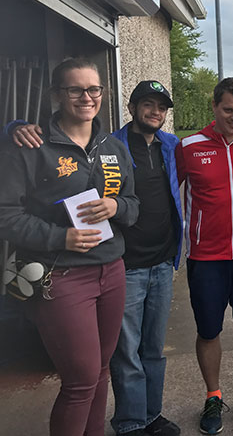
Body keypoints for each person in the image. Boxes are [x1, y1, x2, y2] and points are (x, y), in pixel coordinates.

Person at [9, 80, 184, 436]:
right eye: (148, 104)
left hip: (162, 261)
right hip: (123, 263)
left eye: (161, 107)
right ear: (132, 107)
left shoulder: (171, 146)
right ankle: (131, 420)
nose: (155, 112)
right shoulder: (112, 144)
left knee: (152, 350)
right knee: (122, 355)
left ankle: (151, 415)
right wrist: (13, 127)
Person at [0, 58, 139, 436]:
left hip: (111, 270)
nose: (86, 97)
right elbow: (7, 216)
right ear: (56, 95)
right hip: (60, 274)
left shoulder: (113, 146)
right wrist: (61, 237)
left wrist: (117, 206)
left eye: (93, 89)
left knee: (101, 370)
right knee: (79, 380)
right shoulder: (30, 145)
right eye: (75, 89)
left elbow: (133, 202)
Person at [175, 77, 233, 434]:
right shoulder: (188, 146)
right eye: (228, 109)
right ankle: (213, 395)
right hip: (206, 259)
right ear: (214, 107)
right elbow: (166, 188)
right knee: (209, 330)